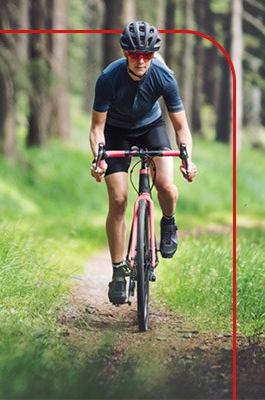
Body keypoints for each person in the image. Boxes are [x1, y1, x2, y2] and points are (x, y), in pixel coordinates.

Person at [89, 21, 198, 305]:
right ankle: (117, 272)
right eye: (135, 54)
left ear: (153, 56)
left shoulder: (164, 77)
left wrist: (187, 157)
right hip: (115, 132)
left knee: (166, 186)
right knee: (119, 199)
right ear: (125, 53)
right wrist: (99, 158)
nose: (141, 61)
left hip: (151, 127)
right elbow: (96, 128)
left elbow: (181, 128)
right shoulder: (108, 79)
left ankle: (169, 222)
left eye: (147, 55)